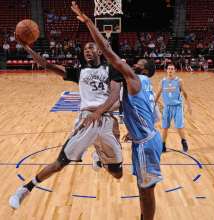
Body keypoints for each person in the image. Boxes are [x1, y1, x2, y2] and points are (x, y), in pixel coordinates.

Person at [71, 2, 162, 220]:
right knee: (143, 188)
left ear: (143, 70)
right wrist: (135, 128)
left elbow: (107, 51)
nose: (133, 65)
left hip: (145, 145)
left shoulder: (133, 79)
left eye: (137, 64)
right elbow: (153, 114)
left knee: (146, 190)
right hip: (148, 138)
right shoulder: (144, 85)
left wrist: (88, 22)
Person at [9, 39, 124, 209]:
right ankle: (25, 189)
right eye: (85, 48)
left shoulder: (112, 69)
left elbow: (115, 96)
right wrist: (26, 47)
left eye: (91, 47)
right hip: (87, 120)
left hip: (105, 119)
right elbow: (46, 64)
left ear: (100, 51)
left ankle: (99, 157)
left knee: (117, 174)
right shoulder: (79, 73)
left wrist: (100, 111)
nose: (87, 50)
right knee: (60, 163)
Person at [155, 63, 192, 152]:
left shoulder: (179, 81)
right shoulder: (163, 81)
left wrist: (189, 106)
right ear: (166, 70)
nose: (170, 70)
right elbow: (158, 94)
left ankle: (183, 141)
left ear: (175, 70)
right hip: (167, 107)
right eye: (169, 68)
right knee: (165, 127)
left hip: (177, 107)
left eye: (172, 69)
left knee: (179, 126)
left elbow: (185, 94)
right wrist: (153, 105)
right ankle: (163, 145)